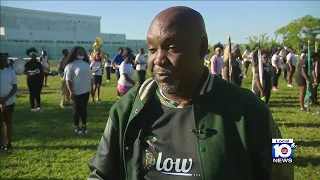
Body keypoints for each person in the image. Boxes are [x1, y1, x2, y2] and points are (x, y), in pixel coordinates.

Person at [88, 6, 292, 180]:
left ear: (202, 48)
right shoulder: (127, 109)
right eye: (152, 49)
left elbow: (285, 165)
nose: (158, 60)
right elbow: (100, 174)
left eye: (171, 48)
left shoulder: (253, 110)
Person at [64, 46, 92, 134]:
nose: (81, 53)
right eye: (79, 52)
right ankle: (77, 126)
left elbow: (90, 78)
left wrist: (92, 89)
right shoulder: (70, 66)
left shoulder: (86, 64)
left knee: (84, 109)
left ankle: (84, 125)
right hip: (76, 92)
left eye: (82, 52)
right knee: (77, 109)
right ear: (75, 53)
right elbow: (68, 80)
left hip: (86, 91)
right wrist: (71, 91)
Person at [0, 53, 18, 151]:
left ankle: (8, 143)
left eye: (5, 60)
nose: (3, 61)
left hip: (9, 101)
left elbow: (14, 88)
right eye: (1, 60)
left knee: (8, 122)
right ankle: (1, 144)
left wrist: (6, 99)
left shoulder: (11, 72)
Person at [24, 47, 44, 112]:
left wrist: (42, 80)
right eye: (32, 55)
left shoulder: (38, 64)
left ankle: (38, 106)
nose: (33, 56)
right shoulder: (27, 63)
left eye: (34, 55)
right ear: (30, 56)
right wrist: (29, 73)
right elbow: (24, 71)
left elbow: (42, 72)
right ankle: (32, 107)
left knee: (38, 94)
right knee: (32, 94)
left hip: (38, 81)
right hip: (31, 81)